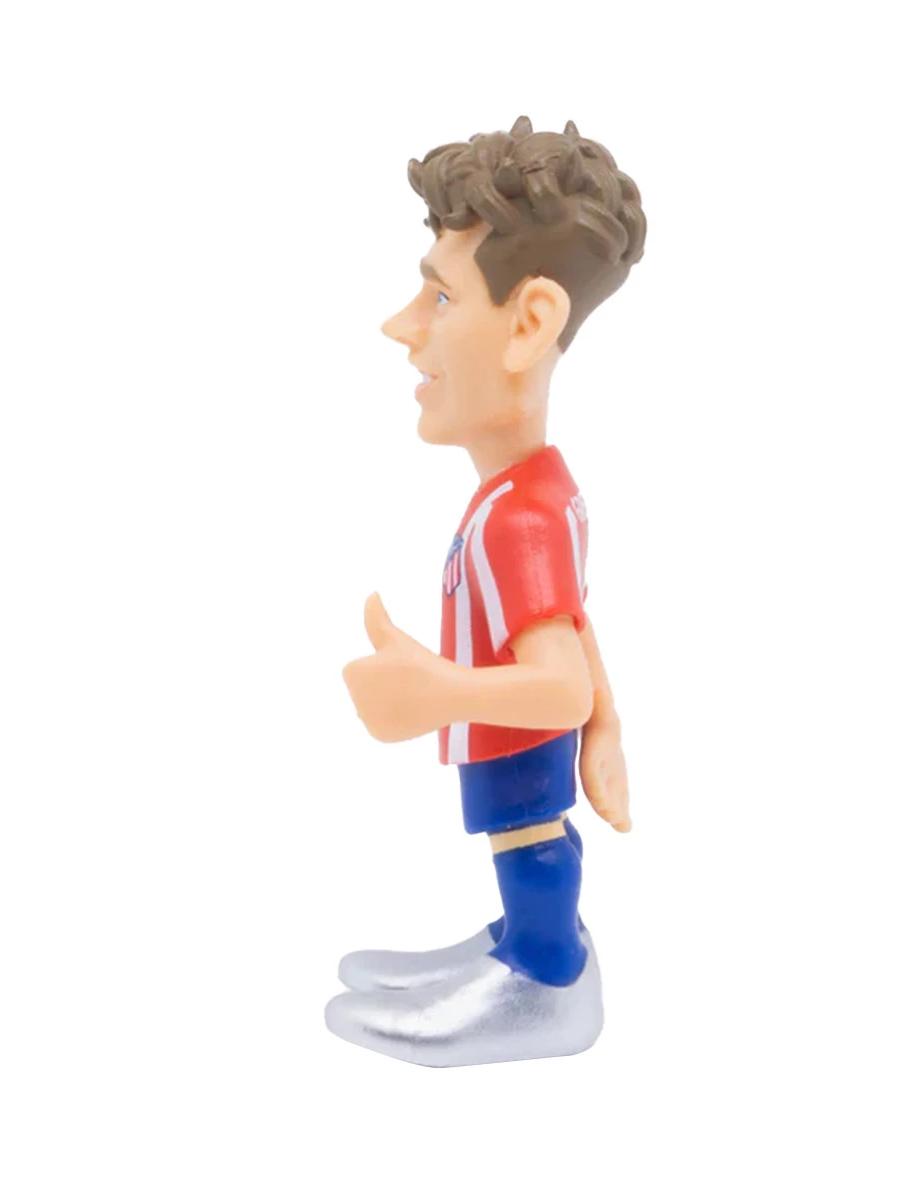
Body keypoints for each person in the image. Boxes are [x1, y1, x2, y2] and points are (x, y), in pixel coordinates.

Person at [325, 116, 646, 1066]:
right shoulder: (530, 491)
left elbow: (560, 683)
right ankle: (523, 946)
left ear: (529, 325)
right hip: (516, 736)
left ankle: (544, 979)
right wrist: (610, 729)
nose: (402, 327)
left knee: (527, 836)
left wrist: (439, 692)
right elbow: (577, 630)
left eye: (439, 295)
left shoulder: (521, 520)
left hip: (519, 741)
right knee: (523, 838)